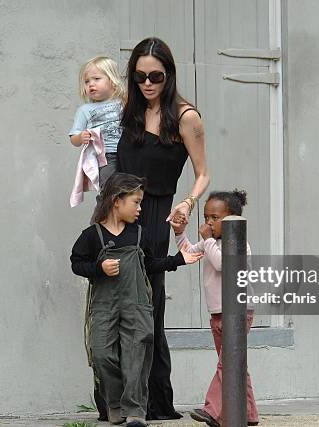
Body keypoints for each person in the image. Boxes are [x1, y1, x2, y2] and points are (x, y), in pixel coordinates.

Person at [116, 37, 210, 420]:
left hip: (155, 216)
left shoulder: (186, 117)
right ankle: (118, 399)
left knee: (147, 310)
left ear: (169, 74)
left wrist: (187, 204)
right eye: (139, 77)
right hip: (118, 216)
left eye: (155, 75)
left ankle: (154, 400)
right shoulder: (131, 110)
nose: (147, 84)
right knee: (115, 307)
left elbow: (203, 172)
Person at [70, 173, 202, 427]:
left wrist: (177, 260)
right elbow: (77, 263)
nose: (140, 208)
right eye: (136, 202)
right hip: (104, 305)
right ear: (116, 201)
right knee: (101, 354)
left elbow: (150, 264)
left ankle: (135, 411)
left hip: (137, 304)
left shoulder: (140, 234)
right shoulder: (92, 235)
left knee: (136, 358)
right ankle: (115, 404)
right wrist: (99, 267)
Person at [170, 189, 259, 427]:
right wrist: (179, 233)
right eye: (207, 217)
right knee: (234, 363)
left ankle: (213, 409)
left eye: (215, 218)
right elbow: (189, 251)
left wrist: (207, 240)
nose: (209, 222)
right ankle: (249, 413)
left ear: (231, 219)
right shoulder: (211, 242)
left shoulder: (241, 244)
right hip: (218, 313)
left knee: (228, 362)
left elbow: (223, 264)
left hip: (239, 313)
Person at [69, 56, 125, 219]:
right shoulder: (85, 110)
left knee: (127, 193)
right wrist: (81, 137)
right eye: (87, 82)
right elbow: (73, 137)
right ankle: (97, 225)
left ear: (112, 81)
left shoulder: (123, 103)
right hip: (106, 157)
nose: (91, 84)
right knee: (108, 192)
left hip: (128, 154)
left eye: (96, 79)